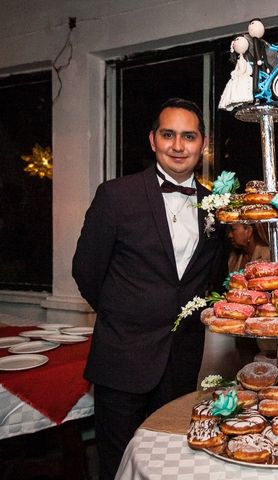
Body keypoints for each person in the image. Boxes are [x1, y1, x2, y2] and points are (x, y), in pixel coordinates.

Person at [73, 98, 225, 479]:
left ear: (202, 144)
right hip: (122, 357)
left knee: (170, 462)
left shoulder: (215, 207)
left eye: (188, 136)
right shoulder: (116, 196)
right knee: (118, 464)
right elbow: (86, 271)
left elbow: (211, 277)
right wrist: (127, 314)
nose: (178, 146)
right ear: (153, 140)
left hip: (181, 359)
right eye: (169, 135)